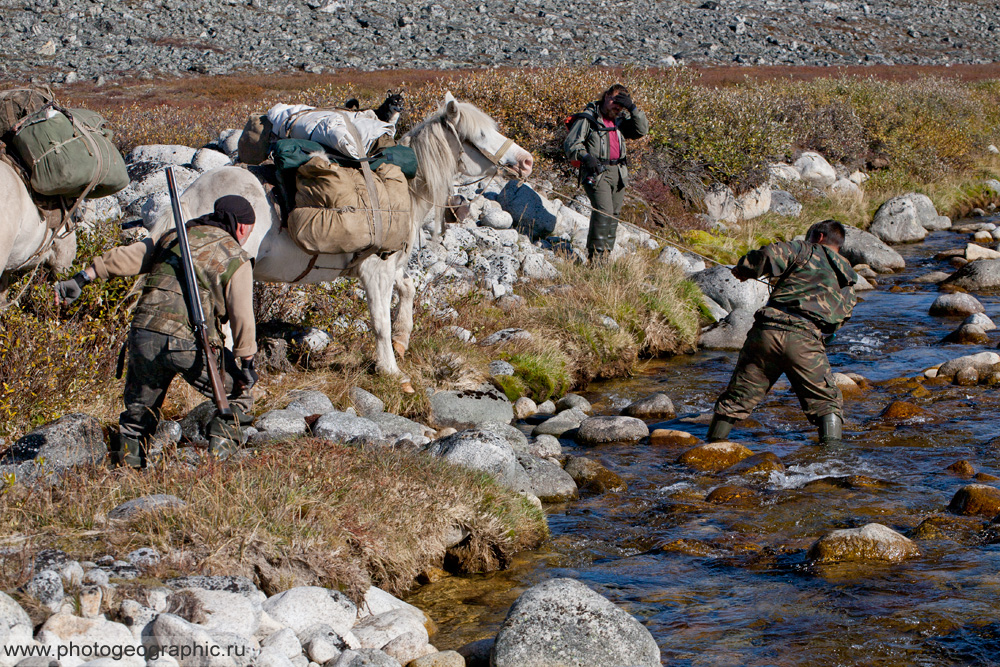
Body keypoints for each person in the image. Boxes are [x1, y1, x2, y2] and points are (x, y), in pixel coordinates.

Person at [55, 195, 259, 468]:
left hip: (144, 335)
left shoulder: (175, 237)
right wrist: (247, 362)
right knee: (239, 393)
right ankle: (217, 469)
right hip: (189, 341)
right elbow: (242, 315)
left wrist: (82, 278)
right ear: (242, 227)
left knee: (138, 414)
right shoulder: (236, 256)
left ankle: (128, 473)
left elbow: (127, 257)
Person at [708, 219, 858, 445]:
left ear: (818, 237)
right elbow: (840, 318)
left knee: (738, 396)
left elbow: (769, 254)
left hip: (767, 331)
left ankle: (711, 447)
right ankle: (832, 460)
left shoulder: (805, 249)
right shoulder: (847, 278)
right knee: (827, 404)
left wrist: (745, 269)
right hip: (806, 339)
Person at [563, 83, 649, 260]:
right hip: (597, 172)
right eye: (613, 99)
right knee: (604, 212)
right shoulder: (588, 118)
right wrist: (586, 157)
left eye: (621, 102)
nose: (616, 105)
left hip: (618, 172)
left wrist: (632, 108)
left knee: (614, 214)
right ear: (605, 97)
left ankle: (605, 255)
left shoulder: (620, 121)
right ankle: (596, 258)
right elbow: (571, 144)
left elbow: (642, 130)